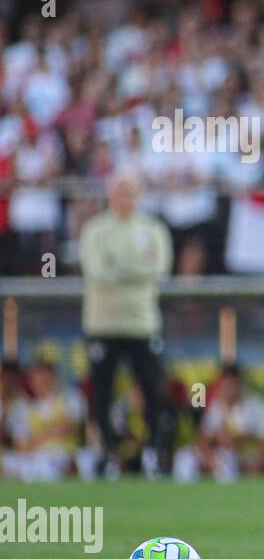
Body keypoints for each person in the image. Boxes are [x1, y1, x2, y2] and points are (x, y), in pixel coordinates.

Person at [79, 171, 172, 477]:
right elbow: (96, 272)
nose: (125, 199)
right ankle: (105, 453)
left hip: (142, 324)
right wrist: (135, 270)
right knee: (101, 394)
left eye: (131, 192)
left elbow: (158, 269)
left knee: (152, 391)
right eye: (120, 192)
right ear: (109, 195)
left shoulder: (152, 229)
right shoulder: (95, 230)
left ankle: (153, 454)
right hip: (103, 324)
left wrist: (118, 268)